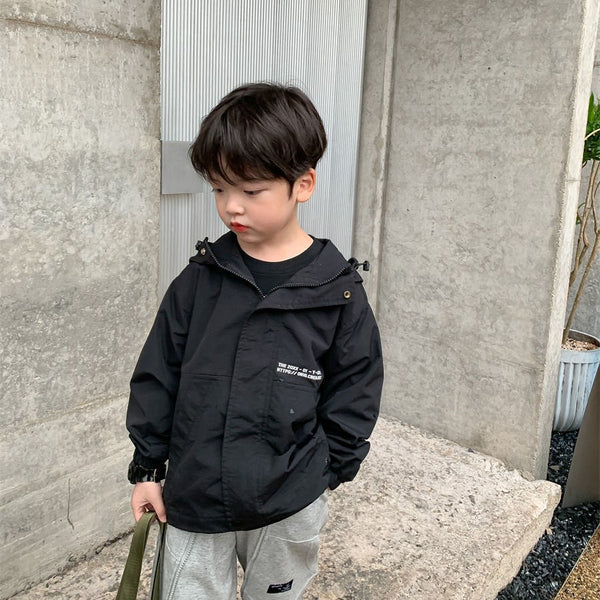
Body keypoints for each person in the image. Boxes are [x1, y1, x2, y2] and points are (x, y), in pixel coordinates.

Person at [126, 82, 384, 600]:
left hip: (288, 498)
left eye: (251, 191)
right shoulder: (200, 281)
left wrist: (327, 470)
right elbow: (159, 373)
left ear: (302, 184)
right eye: (220, 189)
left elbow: (356, 388)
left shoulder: (338, 294)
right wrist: (148, 468)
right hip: (196, 494)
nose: (231, 207)